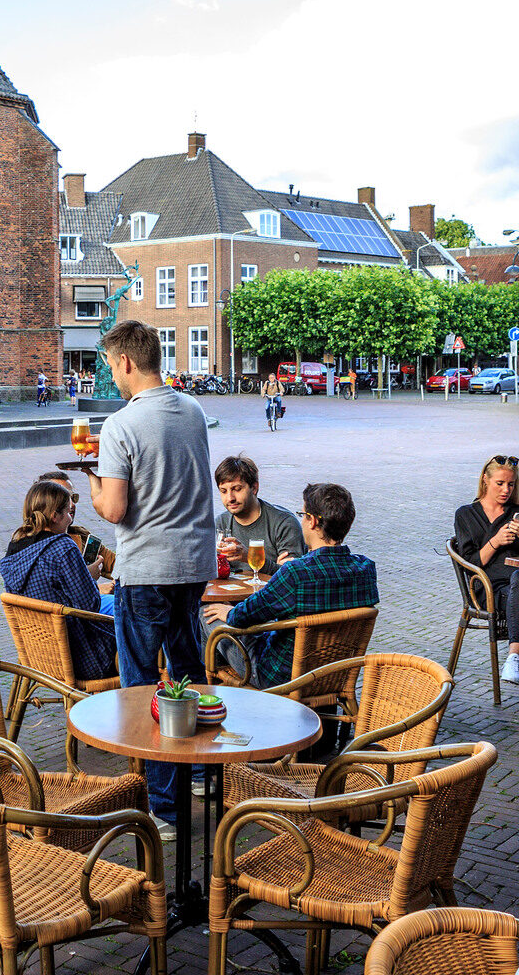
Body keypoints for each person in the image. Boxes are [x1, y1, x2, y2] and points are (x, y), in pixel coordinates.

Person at [88, 320, 216, 832]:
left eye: (110, 367)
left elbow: (116, 510)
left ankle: (164, 808)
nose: (111, 377)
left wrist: (94, 484)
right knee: (189, 671)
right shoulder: (194, 410)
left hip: (146, 568)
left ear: (125, 363)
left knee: (142, 686)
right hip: (194, 563)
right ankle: (203, 772)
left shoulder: (120, 424)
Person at [201, 482, 378, 688]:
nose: (301, 520)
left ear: (311, 521)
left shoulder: (295, 574)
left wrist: (228, 612)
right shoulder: (365, 569)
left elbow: (243, 616)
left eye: (302, 515)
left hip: (281, 678)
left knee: (206, 615)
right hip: (334, 675)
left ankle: (215, 697)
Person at [0, 480, 117, 680]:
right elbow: (90, 605)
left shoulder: (14, 549)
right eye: (68, 513)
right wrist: (89, 577)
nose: (71, 519)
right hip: (84, 658)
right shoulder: (63, 547)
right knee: (134, 619)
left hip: (40, 658)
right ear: (54, 516)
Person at [454, 455, 519, 684]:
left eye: (511, 484)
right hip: (487, 588)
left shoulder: (515, 512)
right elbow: (471, 561)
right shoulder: (466, 514)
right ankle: (514, 656)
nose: (506, 490)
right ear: (485, 480)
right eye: (499, 483)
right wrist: (497, 541)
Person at [38, 469, 114, 615]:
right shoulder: (35, 546)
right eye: (63, 499)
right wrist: (95, 588)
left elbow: (115, 564)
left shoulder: (81, 536)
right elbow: (45, 595)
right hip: (69, 620)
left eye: (73, 497)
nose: (71, 504)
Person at [214, 454, 304, 575]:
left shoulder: (284, 523)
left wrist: (250, 557)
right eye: (223, 491)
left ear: (254, 488)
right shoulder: (220, 523)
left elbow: (292, 576)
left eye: (237, 489)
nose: (230, 498)